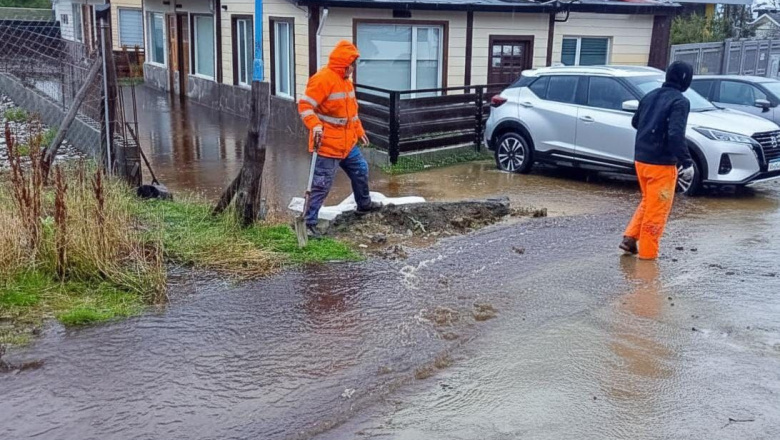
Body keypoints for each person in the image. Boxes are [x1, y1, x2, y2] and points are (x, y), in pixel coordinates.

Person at [297, 40, 381, 238]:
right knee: (321, 184)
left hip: (347, 142)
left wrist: (359, 131)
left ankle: (364, 205)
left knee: (361, 169)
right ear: (345, 63)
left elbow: (351, 114)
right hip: (327, 144)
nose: (354, 68)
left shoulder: (345, 81)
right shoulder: (323, 79)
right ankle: (308, 223)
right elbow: (304, 106)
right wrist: (315, 125)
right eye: (352, 63)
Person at [620, 61, 695, 260]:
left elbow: (636, 122)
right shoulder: (680, 101)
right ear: (686, 80)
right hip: (661, 166)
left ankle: (629, 239)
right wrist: (687, 163)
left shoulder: (649, 96)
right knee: (657, 213)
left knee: (649, 202)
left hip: (641, 161)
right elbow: (675, 135)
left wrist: (652, 129)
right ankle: (647, 261)